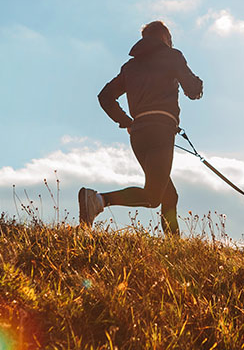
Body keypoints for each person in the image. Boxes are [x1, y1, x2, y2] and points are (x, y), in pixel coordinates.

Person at [78, 20, 203, 235]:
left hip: (138, 134)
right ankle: (98, 200)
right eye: (170, 40)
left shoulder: (130, 66)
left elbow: (105, 96)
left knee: (168, 195)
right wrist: (197, 83)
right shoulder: (172, 56)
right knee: (153, 197)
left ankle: (174, 246)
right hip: (161, 131)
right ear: (164, 37)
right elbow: (193, 90)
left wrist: (127, 122)